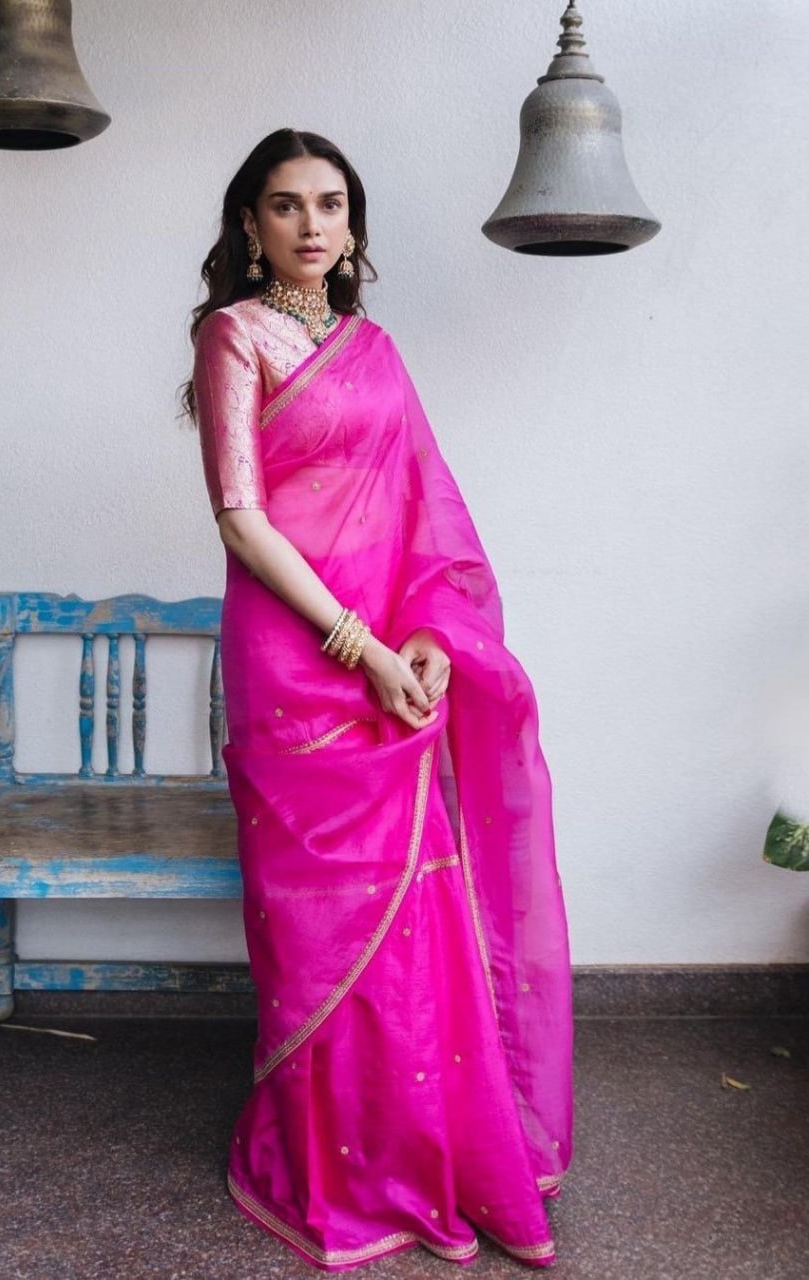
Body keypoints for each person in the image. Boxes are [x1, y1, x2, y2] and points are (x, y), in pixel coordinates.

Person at [182, 128, 573, 1271]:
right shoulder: (234, 335)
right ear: (250, 224)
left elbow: (425, 509)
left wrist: (431, 640)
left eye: (332, 204)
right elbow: (240, 518)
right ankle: (337, 1167)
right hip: (294, 665)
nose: (312, 225)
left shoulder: (377, 351)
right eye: (286, 205)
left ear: (353, 226)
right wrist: (358, 647)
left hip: (391, 663)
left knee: (414, 914)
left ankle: (429, 1153)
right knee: (318, 924)